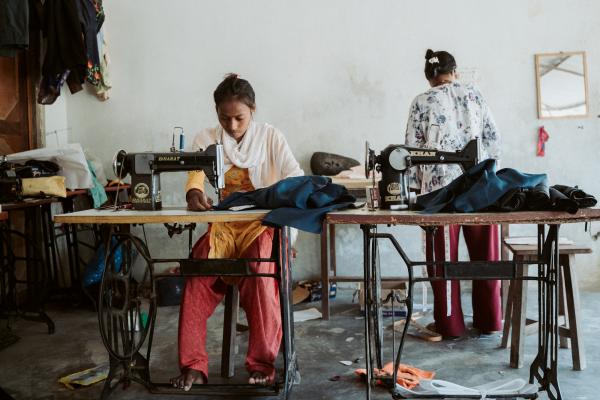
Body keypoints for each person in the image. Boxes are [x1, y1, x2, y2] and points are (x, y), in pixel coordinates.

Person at [170, 74, 303, 390]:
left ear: (253, 110)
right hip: (225, 227)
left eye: (239, 117)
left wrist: (276, 202)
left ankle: (262, 363)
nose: (231, 125)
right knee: (197, 271)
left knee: (260, 269)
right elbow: (195, 174)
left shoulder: (270, 138)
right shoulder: (207, 138)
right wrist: (193, 193)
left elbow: (296, 177)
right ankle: (193, 366)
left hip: (260, 227)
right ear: (216, 114)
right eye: (224, 118)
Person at [404, 49, 502, 339]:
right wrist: (492, 179)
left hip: (439, 191)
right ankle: (490, 320)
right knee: (487, 258)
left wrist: (413, 189)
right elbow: (493, 139)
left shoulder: (421, 101)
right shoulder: (475, 95)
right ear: (455, 72)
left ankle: (450, 325)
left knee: (443, 261)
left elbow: (411, 149)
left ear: (428, 77)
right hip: (479, 186)